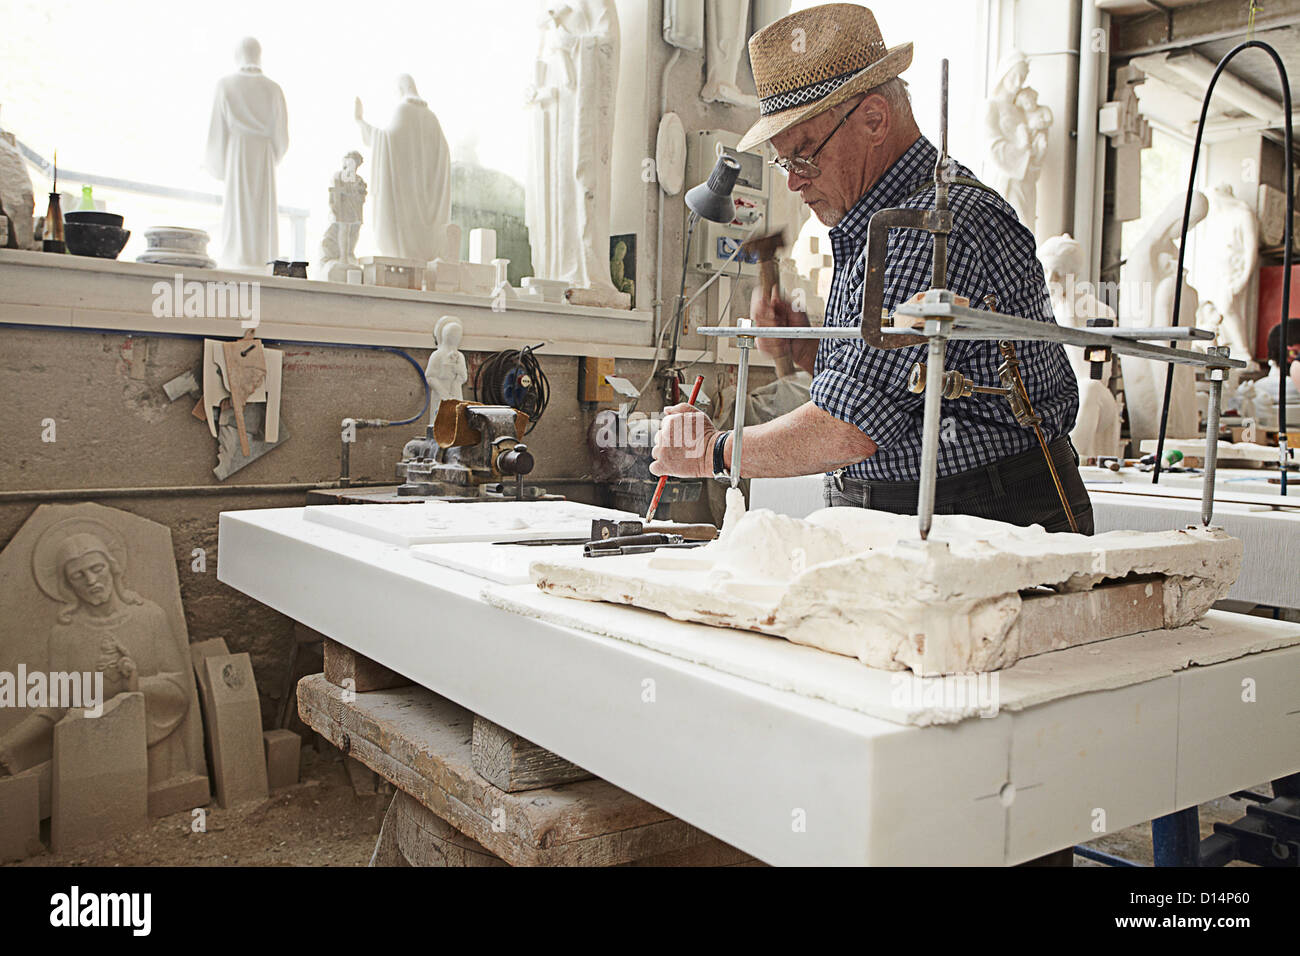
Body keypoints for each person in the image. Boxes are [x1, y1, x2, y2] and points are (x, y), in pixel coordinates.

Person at [650, 3, 1091, 533]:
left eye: (805, 154)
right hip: (930, 509)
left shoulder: (925, 227)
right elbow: (901, 383)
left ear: (875, 119)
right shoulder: (876, 222)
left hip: (988, 516)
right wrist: (807, 350)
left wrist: (712, 454)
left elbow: (850, 428)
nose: (794, 182)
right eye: (785, 162)